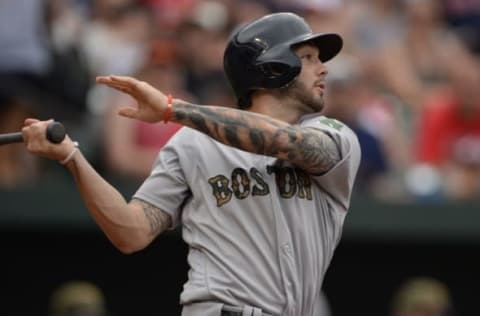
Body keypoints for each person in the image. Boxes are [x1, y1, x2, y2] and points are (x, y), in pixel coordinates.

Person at [22, 12, 361, 316]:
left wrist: (173, 110)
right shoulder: (193, 142)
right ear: (274, 67)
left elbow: (286, 142)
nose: (324, 68)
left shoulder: (335, 136)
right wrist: (72, 157)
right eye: (308, 57)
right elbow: (132, 231)